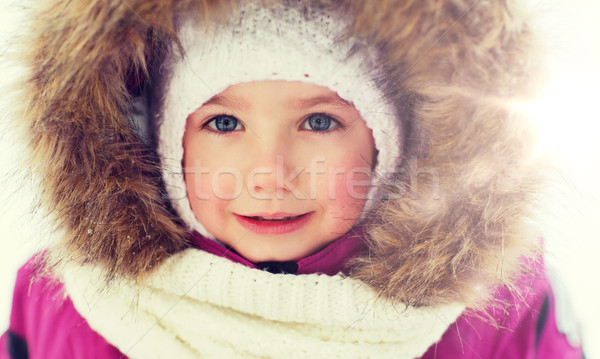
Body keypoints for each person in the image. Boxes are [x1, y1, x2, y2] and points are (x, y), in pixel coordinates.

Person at [0, 0, 585, 358]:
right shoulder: (66, 304)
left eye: (320, 121)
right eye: (224, 122)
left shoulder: (494, 306)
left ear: (396, 143)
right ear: (158, 139)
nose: (270, 175)